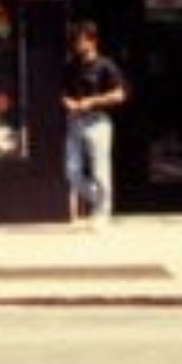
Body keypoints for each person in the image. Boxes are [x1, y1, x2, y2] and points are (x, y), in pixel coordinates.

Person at [62, 20, 127, 231]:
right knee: (71, 171)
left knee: (100, 171)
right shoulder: (71, 65)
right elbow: (63, 93)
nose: (77, 45)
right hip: (75, 120)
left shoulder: (106, 65)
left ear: (92, 41)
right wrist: (68, 103)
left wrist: (93, 101)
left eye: (80, 40)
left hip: (98, 121)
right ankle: (100, 200)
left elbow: (120, 94)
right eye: (75, 41)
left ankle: (102, 214)